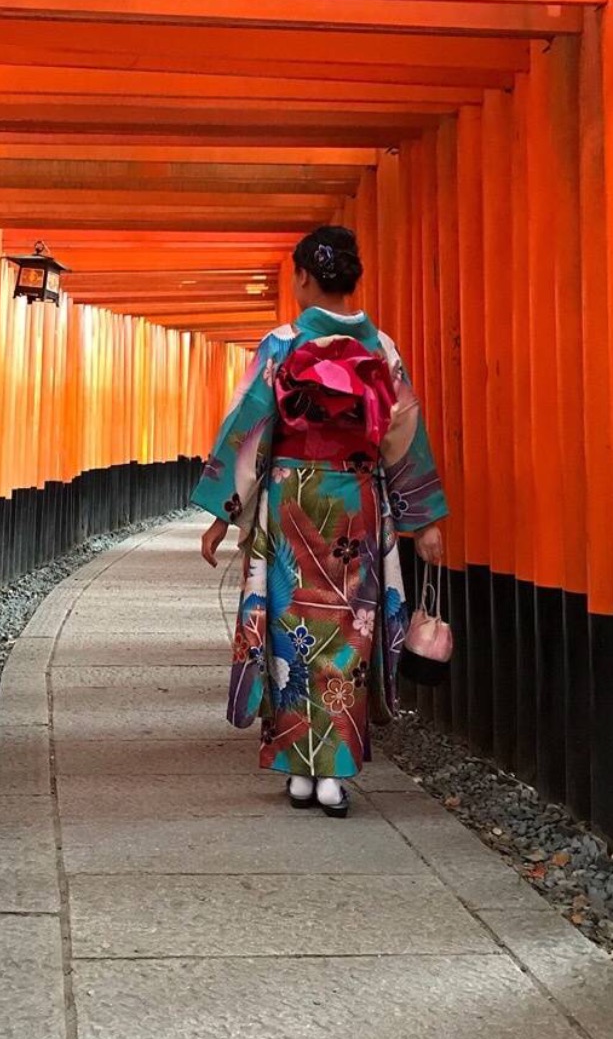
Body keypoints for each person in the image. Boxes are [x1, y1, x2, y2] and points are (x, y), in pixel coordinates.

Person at [193, 226, 448, 817]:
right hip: (353, 496)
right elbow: (405, 436)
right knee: (349, 634)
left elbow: (249, 430)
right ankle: (335, 771)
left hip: (290, 498)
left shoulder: (281, 345)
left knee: (289, 632)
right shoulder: (380, 348)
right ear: (352, 278)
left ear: (304, 278)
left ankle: (299, 769)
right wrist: (425, 519)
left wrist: (223, 517)